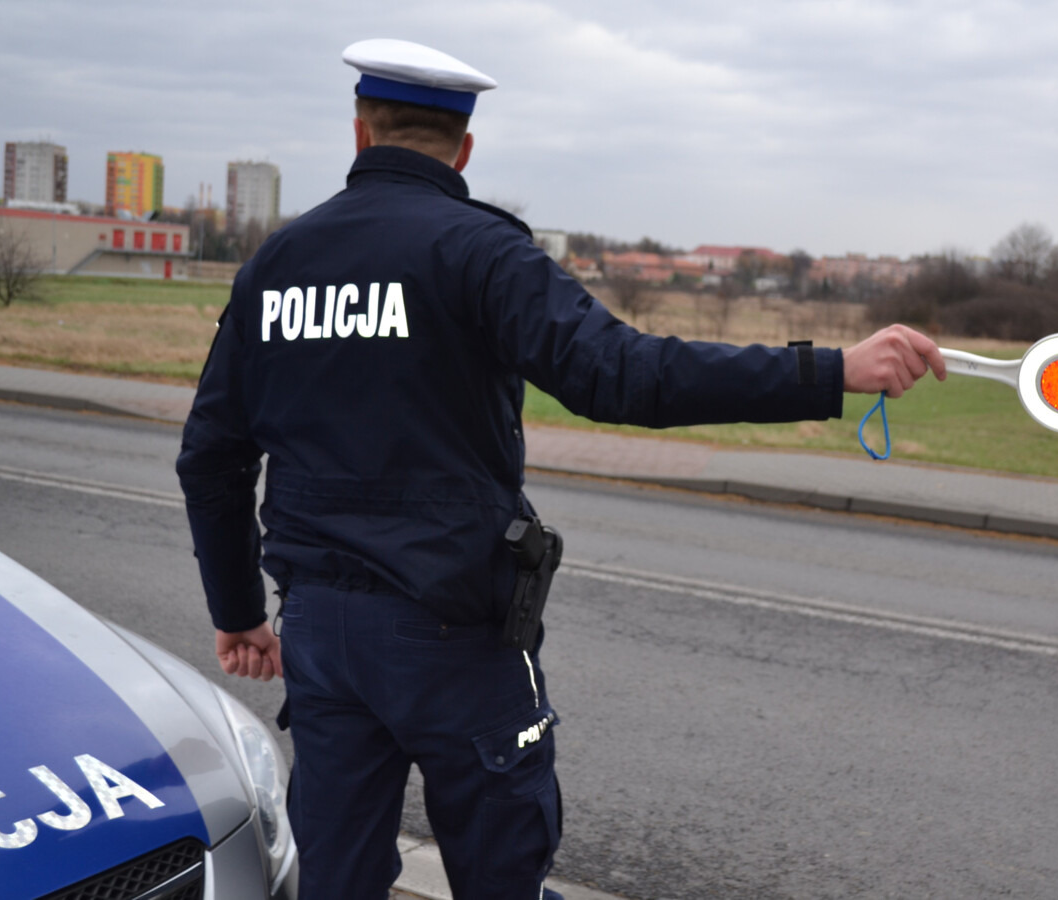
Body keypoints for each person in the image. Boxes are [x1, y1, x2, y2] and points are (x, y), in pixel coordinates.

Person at [177, 38, 946, 900]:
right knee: (502, 874)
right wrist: (831, 370)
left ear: (360, 134)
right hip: (451, 635)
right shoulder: (480, 251)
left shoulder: (276, 265)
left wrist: (240, 612)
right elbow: (622, 374)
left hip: (319, 636)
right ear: (464, 148)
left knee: (335, 880)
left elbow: (211, 456)